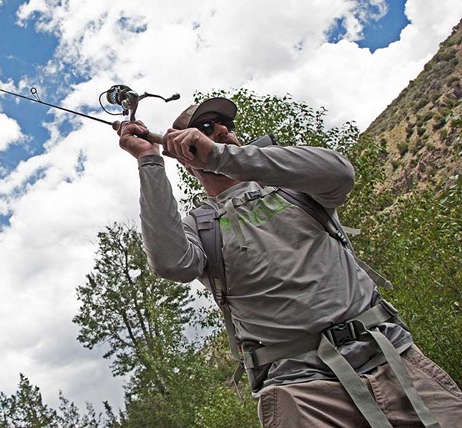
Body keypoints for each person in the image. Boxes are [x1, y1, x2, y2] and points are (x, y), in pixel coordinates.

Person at [118, 97, 462, 427]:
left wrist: (221, 156)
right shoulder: (200, 225)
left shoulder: (291, 185)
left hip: (392, 358)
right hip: (299, 392)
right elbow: (172, 264)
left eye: (225, 124)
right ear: (183, 154)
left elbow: (340, 173)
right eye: (206, 127)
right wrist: (149, 159)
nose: (222, 130)